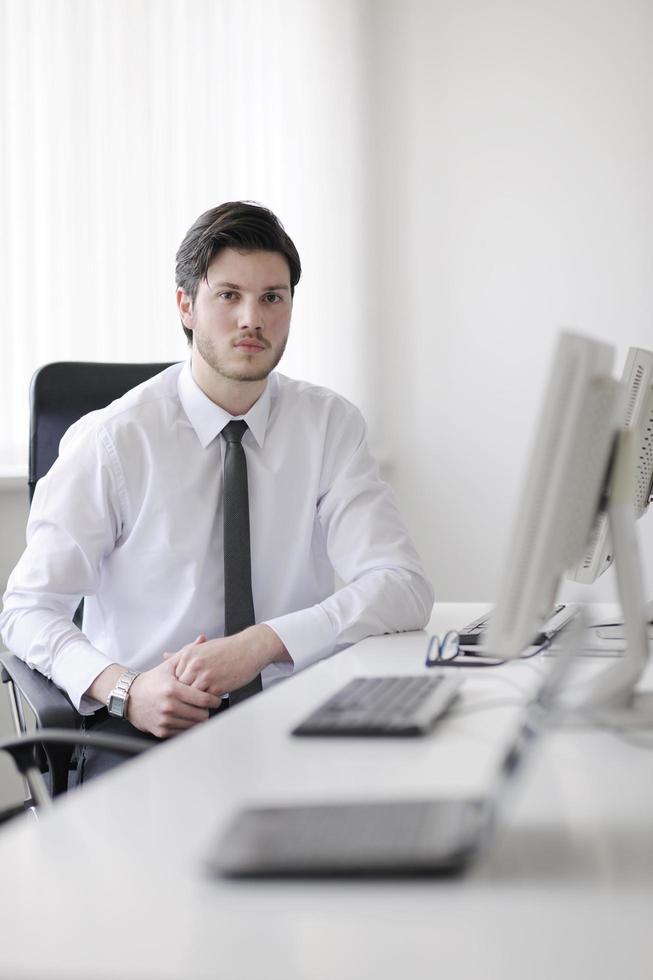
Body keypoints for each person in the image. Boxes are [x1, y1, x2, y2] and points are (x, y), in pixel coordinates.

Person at [0, 201, 434, 782]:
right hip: (151, 727)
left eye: (272, 298)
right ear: (186, 306)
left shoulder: (328, 425)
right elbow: (27, 610)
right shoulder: (112, 441)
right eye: (228, 295)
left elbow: (401, 586)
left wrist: (263, 644)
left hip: (298, 710)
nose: (252, 318)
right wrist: (128, 690)